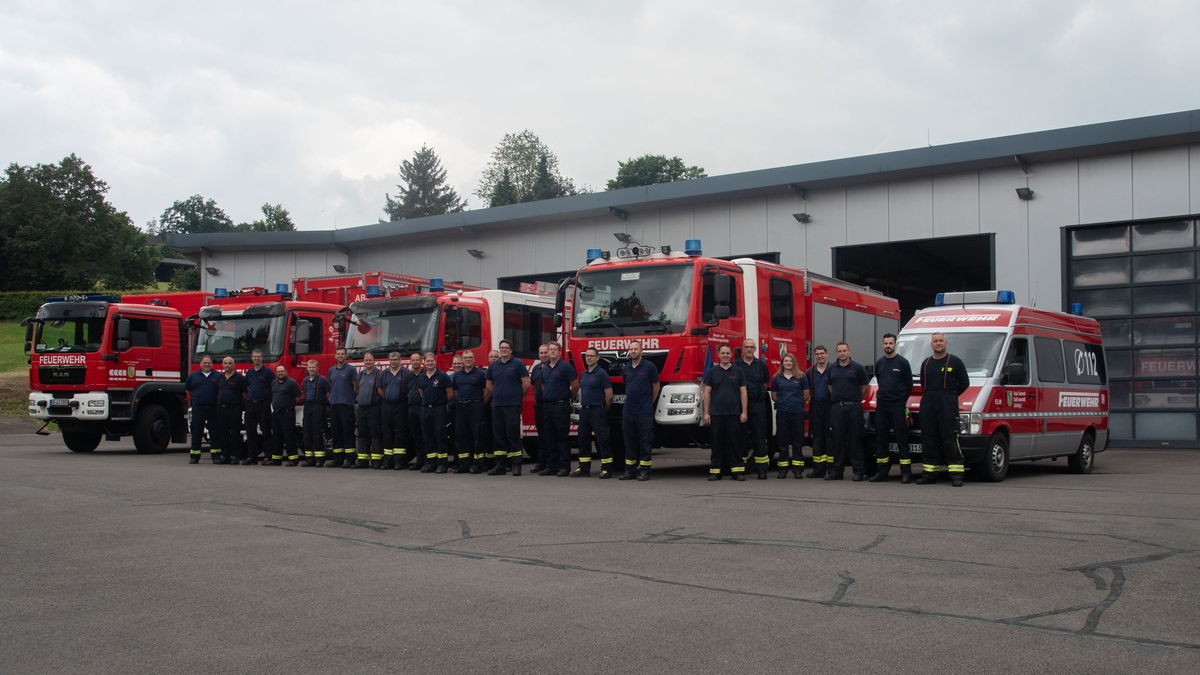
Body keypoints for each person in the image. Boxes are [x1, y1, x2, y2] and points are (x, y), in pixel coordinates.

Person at [917, 332, 970, 487]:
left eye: (941, 340)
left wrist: (950, 396)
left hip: (947, 403)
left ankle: (956, 475)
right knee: (929, 440)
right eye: (935, 341)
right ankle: (929, 474)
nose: (938, 343)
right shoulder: (926, 363)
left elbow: (965, 383)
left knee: (950, 439)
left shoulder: (955, 362)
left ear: (946, 343)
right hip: (928, 403)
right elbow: (923, 383)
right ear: (931, 344)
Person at [870, 333, 914, 483]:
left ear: (895, 344)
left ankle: (906, 473)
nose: (888, 346)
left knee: (902, 439)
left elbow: (909, 385)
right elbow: (880, 380)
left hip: (897, 406)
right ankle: (882, 472)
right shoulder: (879, 363)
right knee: (881, 440)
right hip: (882, 406)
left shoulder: (903, 362)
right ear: (883, 345)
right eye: (886, 343)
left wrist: (901, 400)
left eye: (890, 343)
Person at [485, 340, 531, 476]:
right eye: (502, 347)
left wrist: (517, 396)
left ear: (511, 350)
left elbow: (526, 383)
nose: (503, 349)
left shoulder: (518, 364)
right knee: (498, 436)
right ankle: (500, 465)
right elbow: (488, 385)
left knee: (513, 435)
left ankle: (516, 466)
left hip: (512, 406)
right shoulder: (494, 366)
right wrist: (498, 395)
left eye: (506, 347)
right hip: (497, 405)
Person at [827, 342, 870, 481]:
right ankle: (837, 472)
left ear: (849, 352)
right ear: (836, 352)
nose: (842, 353)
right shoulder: (831, 368)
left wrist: (855, 399)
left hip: (854, 407)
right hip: (837, 408)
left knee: (854, 439)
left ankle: (858, 472)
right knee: (837, 440)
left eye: (844, 350)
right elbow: (830, 386)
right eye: (839, 351)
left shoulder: (858, 368)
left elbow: (865, 387)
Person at [704, 344, 748, 481]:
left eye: (727, 353)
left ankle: (737, 472)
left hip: (734, 413)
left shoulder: (739, 371)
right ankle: (715, 472)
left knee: (734, 443)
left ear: (731, 355)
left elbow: (743, 392)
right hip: (716, 414)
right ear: (718, 355)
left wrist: (744, 412)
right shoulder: (712, 372)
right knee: (716, 444)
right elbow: (707, 393)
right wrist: (706, 413)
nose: (725, 355)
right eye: (722, 353)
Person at [537, 341, 579, 477]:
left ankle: (564, 467)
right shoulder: (545, 369)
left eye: (555, 349)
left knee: (562, 437)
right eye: (550, 349)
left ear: (559, 352)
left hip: (561, 406)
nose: (552, 351)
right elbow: (543, 386)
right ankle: (551, 467)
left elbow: (575, 385)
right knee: (549, 437)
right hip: (547, 406)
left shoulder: (566, 367)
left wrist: (566, 396)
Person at [620, 339, 660, 481]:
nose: (633, 351)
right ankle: (630, 470)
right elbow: (626, 385)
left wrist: (649, 403)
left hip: (644, 411)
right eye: (631, 349)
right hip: (628, 410)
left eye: (636, 349)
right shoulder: (626, 368)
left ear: (641, 351)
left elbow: (656, 386)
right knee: (629, 441)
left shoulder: (649, 367)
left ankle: (645, 471)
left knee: (645, 441)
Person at [572, 347, 613, 478]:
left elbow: (609, 395)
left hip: (597, 410)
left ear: (597, 358)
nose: (589, 358)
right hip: (585, 410)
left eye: (591, 356)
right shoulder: (583, 374)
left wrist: (603, 409)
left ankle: (606, 469)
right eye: (587, 356)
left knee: (602, 440)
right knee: (583, 439)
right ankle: (584, 468)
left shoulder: (602, 374)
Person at [735, 338, 772, 478]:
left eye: (751, 347)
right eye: (747, 347)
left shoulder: (761, 365)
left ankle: (762, 469)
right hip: (741, 405)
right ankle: (740, 469)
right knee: (742, 437)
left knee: (759, 436)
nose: (749, 349)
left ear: (755, 349)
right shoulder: (736, 365)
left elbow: (765, 383)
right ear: (743, 349)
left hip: (758, 404)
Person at [771, 352, 809, 479]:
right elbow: (774, 396)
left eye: (790, 361)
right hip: (783, 413)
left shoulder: (801, 377)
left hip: (797, 413)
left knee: (797, 441)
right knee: (783, 442)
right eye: (786, 361)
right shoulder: (777, 378)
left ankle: (798, 470)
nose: (788, 363)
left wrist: (797, 403)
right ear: (782, 363)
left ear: (794, 363)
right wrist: (783, 403)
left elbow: (806, 395)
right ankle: (782, 470)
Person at [417, 352, 455, 473]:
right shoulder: (422, 377)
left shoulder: (443, 376)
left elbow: (450, 393)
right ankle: (430, 463)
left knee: (440, 436)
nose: (430, 363)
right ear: (424, 362)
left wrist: (440, 402)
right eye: (427, 361)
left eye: (432, 361)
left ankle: (442, 464)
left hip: (439, 409)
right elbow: (421, 392)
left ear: (435, 361)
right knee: (428, 436)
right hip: (425, 409)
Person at [451, 351, 488, 474]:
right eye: (466, 357)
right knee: (461, 436)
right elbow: (455, 391)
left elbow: (486, 390)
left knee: (477, 436)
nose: (468, 359)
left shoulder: (480, 374)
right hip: (461, 407)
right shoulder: (457, 375)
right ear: (462, 360)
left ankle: (478, 464)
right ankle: (464, 464)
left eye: (470, 357)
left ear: (474, 359)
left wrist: (479, 403)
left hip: (475, 406)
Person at [185, 355, 221, 464]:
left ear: (212, 364)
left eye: (209, 363)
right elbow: (188, 390)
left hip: (213, 408)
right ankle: (194, 456)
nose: (206, 365)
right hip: (198, 408)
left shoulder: (218, 376)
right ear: (200, 364)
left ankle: (216, 456)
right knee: (196, 432)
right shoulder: (193, 376)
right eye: (204, 363)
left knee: (215, 433)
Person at [326, 346, 357, 468]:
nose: (340, 356)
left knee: (348, 432)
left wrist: (350, 397)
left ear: (345, 355)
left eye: (342, 354)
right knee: (336, 433)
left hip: (346, 405)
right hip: (334, 405)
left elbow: (355, 387)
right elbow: (331, 385)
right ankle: (338, 459)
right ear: (335, 356)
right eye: (338, 354)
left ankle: (350, 459)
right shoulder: (331, 370)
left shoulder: (351, 370)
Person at [380, 352, 412, 469]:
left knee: (400, 433)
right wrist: (385, 397)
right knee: (387, 433)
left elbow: (411, 389)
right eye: (391, 359)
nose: (393, 362)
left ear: (400, 360)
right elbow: (379, 388)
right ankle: (388, 461)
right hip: (386, 406)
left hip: (401, 405)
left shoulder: (406, 373)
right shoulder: (383, 373)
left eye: (395, 359)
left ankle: (399, 461)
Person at [243, 349, 274, 464]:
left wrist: (269, 401)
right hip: (251, 404)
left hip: (263, 404)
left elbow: (274, 387)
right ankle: (252, 456)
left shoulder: (268, 372)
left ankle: (268, 455)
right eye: (255, 356)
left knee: (266, 430)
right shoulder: (249, 372)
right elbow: (246, 388)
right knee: (250, 431)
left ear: (262, 358)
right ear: (252, 358)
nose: (256, 358)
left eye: (258, 356)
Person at [805, 346, 833, 478]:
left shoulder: (833, 369)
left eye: (822, 353)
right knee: (817, 439)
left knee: (831, 439)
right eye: (817, 354)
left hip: (831, 407)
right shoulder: (810, 372)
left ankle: (832, 469)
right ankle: (818, 469)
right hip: (816, 408)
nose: (820, 356)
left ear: (827, 354)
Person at [355, 353, 385, 469]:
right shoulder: (360, 374)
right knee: (362, 434)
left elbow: (382, 390)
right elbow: (357, 389)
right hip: (362, 408)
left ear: (374, 361)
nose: (368, 362)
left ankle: (376, 460)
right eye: (366, 360)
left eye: (370, 360)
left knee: (375, 434)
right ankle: (362, 460)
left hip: (374, 408)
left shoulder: (379, 374)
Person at [269, 365, 303, 465]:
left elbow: (299, 398)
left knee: (289, 437)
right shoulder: (274, 383)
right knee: (276, 437)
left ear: (286, 372)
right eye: (278, 371)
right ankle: (276, 459)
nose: (280, 373)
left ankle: (293, 459)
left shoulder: (292, 383)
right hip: (276, 414)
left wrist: (289, 405)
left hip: (287, 414)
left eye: (282, 371)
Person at [215, 356, 247, 465]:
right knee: (223, 433)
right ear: (222, 365)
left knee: (235, 433)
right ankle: (225, 455)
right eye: (225, 363)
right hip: (221, 409)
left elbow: (244, 393)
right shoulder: (219, 377)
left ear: (234, 365)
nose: (227, 365)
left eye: (229, 363)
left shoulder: (239, 378)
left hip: (234, 409)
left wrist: (240, 406)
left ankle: (236, 455)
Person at [300, 359, 331, 467]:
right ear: (307, 368)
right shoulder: (305, 381)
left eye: (313, 367)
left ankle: (319, 459)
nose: (311, 369)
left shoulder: (323, 380)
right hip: (307, 407)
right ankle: (309, 459)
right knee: (307, 434)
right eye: (310, 367)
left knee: (317, 434)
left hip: (318, 407)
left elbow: (328, 393)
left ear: (317, 368)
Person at [529, 344, 550, 473]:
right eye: (541, 353)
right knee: (541, 435)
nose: (543, 355)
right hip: (539, 406)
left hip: (550, 406)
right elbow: (533, 385)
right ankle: (541, 463)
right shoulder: (536, 368)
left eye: (545, 352)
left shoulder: (553, 367)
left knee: (550, 435)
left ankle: (551, 464)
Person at [406, 353, 426, 471]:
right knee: (416, 436)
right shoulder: (409, 376)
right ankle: (419, 461)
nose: (415, 362)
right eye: (413, 360)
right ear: (410, 362)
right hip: (412, 408)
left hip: (423, 408)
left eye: (417, 360)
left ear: (421, 361)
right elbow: (406, 391)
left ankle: (428, 461)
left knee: (425, 435)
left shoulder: (425, 374)